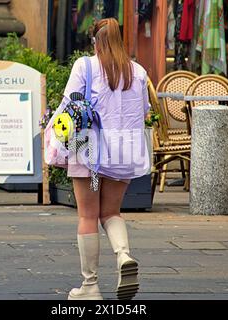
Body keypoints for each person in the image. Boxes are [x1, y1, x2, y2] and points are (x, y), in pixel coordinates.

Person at [61, 18, 150, 300]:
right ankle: (123, 255)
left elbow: (69, 105)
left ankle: (90, 286)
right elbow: (145, 111)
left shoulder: (85, 66)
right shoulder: (138, 71)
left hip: (90, 150)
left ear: (96, 43)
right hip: (125, 151)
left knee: (88, 216)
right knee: (111, 213)